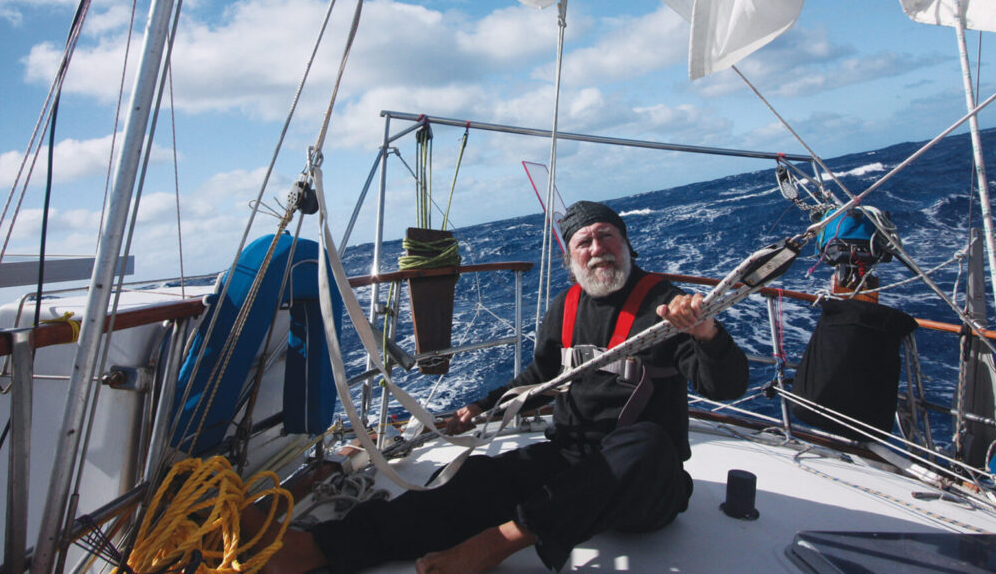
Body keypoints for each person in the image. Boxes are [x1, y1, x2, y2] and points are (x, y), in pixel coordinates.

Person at [256, 200, 749, 574]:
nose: (597, 247)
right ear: (570, 259)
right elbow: (540, 379)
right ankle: (322, 547)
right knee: (476, 479)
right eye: (584, 242)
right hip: (571, 459)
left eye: (607, 236)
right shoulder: (566, 309)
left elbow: (725, 386)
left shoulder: (666, 306)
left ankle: (502, 542)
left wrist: (705, 333)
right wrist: (480, 407)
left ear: (626, 244)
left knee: (649, 443)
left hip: (644, 483)